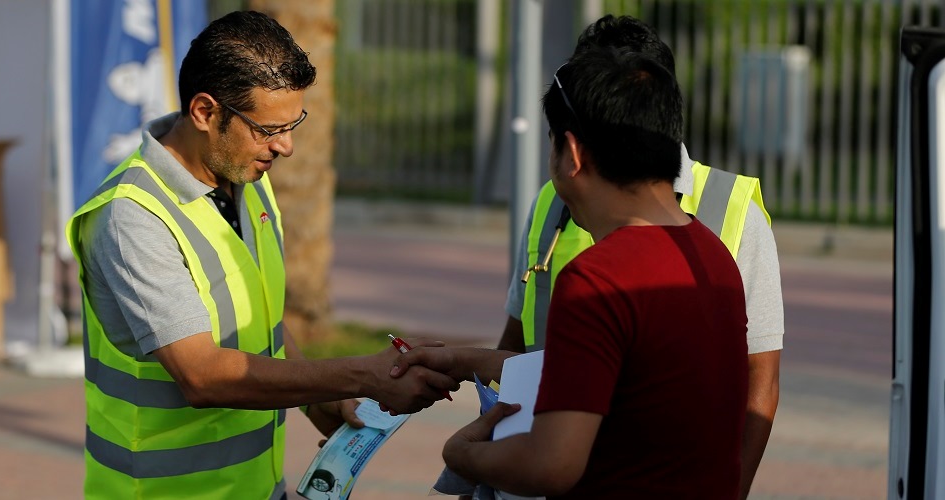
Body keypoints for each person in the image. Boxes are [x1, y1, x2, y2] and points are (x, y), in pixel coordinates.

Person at [65, 11, 456, 499]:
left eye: (293, 124)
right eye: (269, 129)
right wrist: (365, 374)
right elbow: (202, 375)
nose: (286, 147)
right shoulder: (132, 217)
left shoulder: (245, 175)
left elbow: (260, 316)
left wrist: (320, 402)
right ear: (205, 112)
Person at [428, 44, 750, 497]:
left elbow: (551, 465)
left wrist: (462, 455)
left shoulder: (596, 280)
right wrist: (462, 360)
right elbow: (626, 381)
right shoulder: (714, 255)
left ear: (572, 154)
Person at [497, 15, 783, 499]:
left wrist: (465, 455)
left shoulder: (729, 214)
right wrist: (465, 364)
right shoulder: (551, 202)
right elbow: (529, 355)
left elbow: (761, 385)